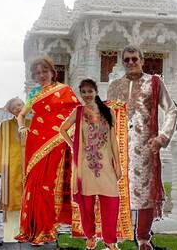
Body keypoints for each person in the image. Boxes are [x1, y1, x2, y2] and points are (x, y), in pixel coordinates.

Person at [107, 46, 177, 250]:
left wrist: (162, 137)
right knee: (116, 189)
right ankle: (117, 235)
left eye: (134, 59)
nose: (131, 63)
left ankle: (143, 238)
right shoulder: (115, 85)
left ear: (142, 60)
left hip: (145, 145)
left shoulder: (153, 82)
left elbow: (171, 110)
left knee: (145, 191)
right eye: (127, 60)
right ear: (122, 62)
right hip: (118, 145)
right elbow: (107, 116)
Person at [14, 56, 79, 245]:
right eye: (37, 73)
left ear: (52, 72)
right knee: (32, 184)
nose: (41, 75)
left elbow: (77, 113)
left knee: (47, 184)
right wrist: (21, 127)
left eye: (45, 71)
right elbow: (22, 115)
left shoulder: (64, 90)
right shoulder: (34, 93)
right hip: (35, 140)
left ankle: (45, 230)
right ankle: (29, 229)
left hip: (55, 140)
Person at [59, 78, 122, 250]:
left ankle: (110, 239)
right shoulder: (79, 111)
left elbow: (113, 140)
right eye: (84, 92)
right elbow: (62, 129)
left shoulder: (108, 112)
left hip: (106, 164)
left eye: (90, 91)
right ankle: (90, 236)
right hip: (85, 165)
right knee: (87, 203)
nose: (87, 95)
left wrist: (118, 164)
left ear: (96, 91)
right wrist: (73, 146)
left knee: (111, 200)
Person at [0, 97, 29, 242]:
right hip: (11, 169)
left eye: (20, 105)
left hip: (30, 169)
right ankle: (11, 236)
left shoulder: (34, 123)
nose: (18, 108)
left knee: (31, 201)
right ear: (11, 111)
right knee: (12, 203)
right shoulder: (5, 125)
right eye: (14, 107)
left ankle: (30, 233)